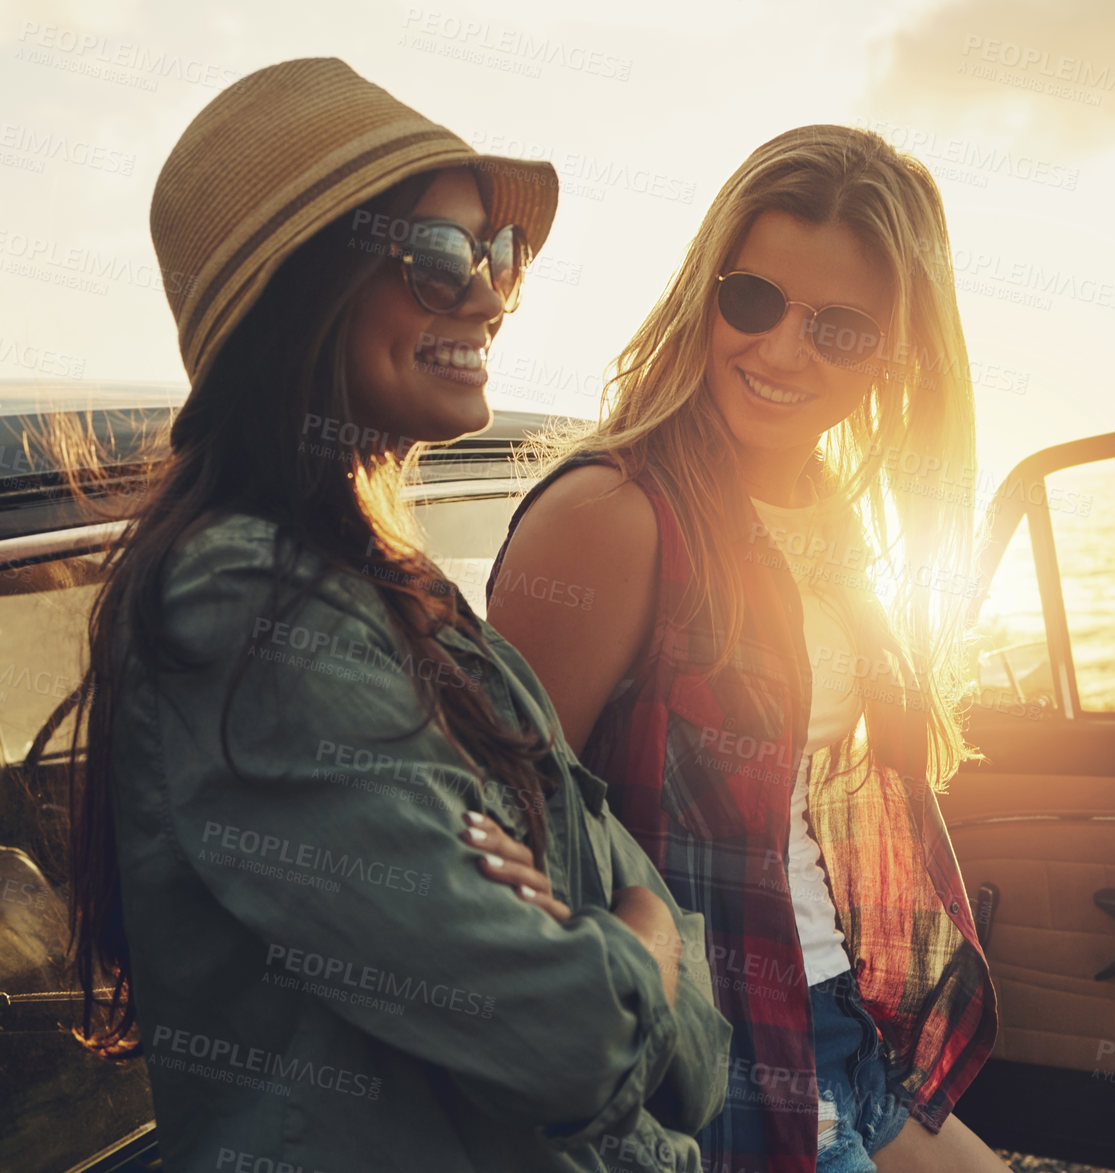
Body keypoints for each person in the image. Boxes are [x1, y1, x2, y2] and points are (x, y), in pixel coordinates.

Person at [62, 57, 729, 1172]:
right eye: (433, 258)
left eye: (497, 254)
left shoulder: (413, 601)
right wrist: (635, 937)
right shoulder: (239, 607)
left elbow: (696, 1056)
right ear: (296, 295)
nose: (488, 294)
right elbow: (572, 1036)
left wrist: (616, 939)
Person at [487, 125, 1005, 1173]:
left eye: (839, 331)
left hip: (839, 1026)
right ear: (705, 292)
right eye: (755, 301)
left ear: (897, 359)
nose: (778, 352)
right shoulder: (615, 515)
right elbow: (503, 834)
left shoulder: (826, 515)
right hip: (715, 1052)